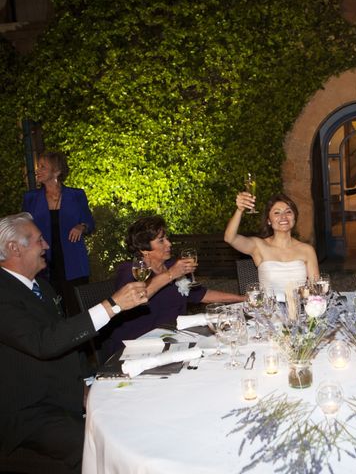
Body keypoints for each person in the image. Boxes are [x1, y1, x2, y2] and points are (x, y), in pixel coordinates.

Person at [0, 212, 147, 472]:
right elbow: (43, 343)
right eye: (38, 240)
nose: (46, 245)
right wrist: (111, 306)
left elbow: (67, 343)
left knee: (135, 413)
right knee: (101, 446)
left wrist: (85, 387)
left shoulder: (42, 288)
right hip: (29, 412)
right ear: (14, 248)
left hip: (64, 394)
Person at [102, 216, 245, 356]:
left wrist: (242, 298)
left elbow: (202, 295)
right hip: (136, 346)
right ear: (144, 249)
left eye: (167, 238)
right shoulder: (130, 270)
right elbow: (137, 296)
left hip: (173, 341)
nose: (169, 244)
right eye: (161, 241)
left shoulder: (171, 266)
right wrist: (170, 274)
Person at [22, 151, 95, 317]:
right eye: (37, 167)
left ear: (57, 171)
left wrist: (81, 226)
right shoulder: (30, 198)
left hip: (73, 262)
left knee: (79, 312)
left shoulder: (77, 195)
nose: (37, 170)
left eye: (43, 167)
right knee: (51, 312)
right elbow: (23, 228)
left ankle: (84, 344)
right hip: (43, 263)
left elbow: (90, 223)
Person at [225, 192, 320, 300]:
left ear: (294, 217)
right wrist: (239, 210)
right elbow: (229, 238)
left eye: (288, 212)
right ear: (269, 221)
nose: (283, 217)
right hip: (268, 312)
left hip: (299, 311)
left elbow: (316, 289)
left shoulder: (307, 250)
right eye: (277, 213)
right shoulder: (258, 246)